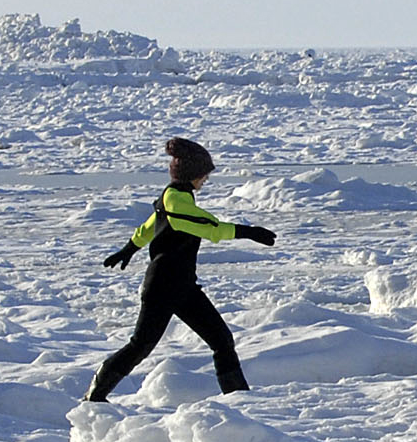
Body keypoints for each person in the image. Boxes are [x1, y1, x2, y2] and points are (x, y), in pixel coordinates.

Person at [86, 137, 279, 401]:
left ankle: (240, 400)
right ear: (191, 174)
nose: (206, 180)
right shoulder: (177, 200)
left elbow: (148, 227)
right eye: (204, 174)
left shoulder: (175, 197)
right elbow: (203, 225)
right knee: (141, 345)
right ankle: (95, 395)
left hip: (183, 286)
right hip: (164, 286)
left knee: (222, 341)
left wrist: (129, 248)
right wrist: (246, 231)